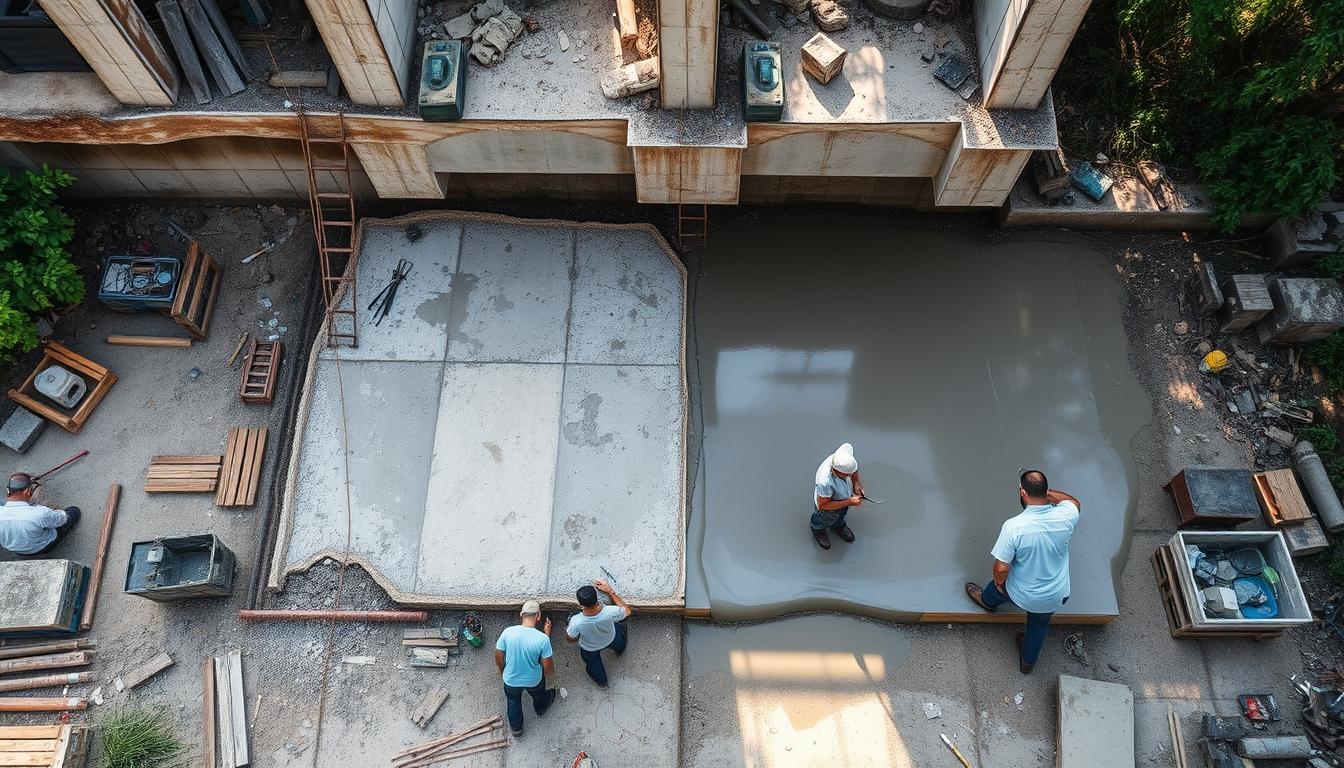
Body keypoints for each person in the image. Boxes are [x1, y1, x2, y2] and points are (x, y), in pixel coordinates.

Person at [964, 469, 1080, 673]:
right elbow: (1074, 502)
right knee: (1038, 625)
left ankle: (987, 602)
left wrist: (1000, 584)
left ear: (1023, 493)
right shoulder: (1066, 515)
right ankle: (1027, 664)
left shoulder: (1014, 527)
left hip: (1023, 594)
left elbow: (1001, 567)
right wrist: (1046, 494)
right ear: (1045, 492)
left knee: (996, 588)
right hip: (1057, 594)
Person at [494, 600, 557, 735]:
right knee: (539, 695)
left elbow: (498, 654)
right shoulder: (542, 639)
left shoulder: (507, 632)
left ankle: (516, 729)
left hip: (510, 680)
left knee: (513, 701)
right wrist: (547, 634)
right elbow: (547, 665)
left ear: (521, 615)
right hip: (533, 680)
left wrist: (501, 670)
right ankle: (540, 709)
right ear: (538, 616)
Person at [565, 578, 631, 688]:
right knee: (619, 639)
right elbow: (627, 611)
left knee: (593, 664)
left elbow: (570, 639)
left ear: (581, 605)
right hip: (611, 638)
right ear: (597, 599)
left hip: (590, 647)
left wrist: (569, 630)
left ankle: (603, 683)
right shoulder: (610, 611)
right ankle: (620, 650)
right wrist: (609, 591)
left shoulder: (576, 621)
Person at [0, 472, 80, 557]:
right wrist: (55, 511)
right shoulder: (40, 513)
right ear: (27, 491)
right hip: (44, 546)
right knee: (74, 511)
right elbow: (62, 518)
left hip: (18, 551)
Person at [810, 442, 864, 549]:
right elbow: (823, 505)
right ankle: (818, 529)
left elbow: (853, 469)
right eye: (848, 474)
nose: (850, 476)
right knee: (825, 519)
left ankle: (838, 526)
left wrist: (856, 483)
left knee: (841, 514)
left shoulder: (845, 454)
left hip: (843, 498)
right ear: (838, 472)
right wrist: (850, 501)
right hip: (827, 507)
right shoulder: (825, 482)